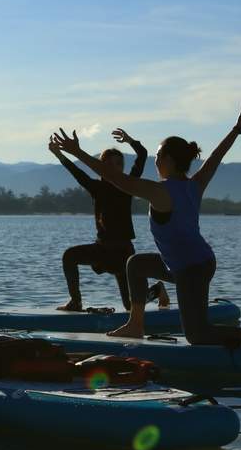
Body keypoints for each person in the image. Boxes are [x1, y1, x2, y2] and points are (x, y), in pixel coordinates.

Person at [50, 101, 241, 346]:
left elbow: (116, 178)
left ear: (168, 159)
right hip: (184, 263)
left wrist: (77, 153)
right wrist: (237, 128)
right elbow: (216, 156)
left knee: (198, 336)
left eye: (158, 156)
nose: (155, 161)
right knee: (136, 263)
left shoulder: (161, 192)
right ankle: (135, 325)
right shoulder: (195, 183)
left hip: (193, 267)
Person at [48, 128, 170, 312]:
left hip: (122, 252)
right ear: (102, 166)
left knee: (130, 305)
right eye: (110, 164)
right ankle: (75, 302)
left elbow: (142, 154)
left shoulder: (128, 184)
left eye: (119, 164)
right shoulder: (96, 188)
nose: (115, 168)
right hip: (103, 248)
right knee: (69, 256)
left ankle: (157, 289)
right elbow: (76, 172)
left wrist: (130, 140)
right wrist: (59, 154)